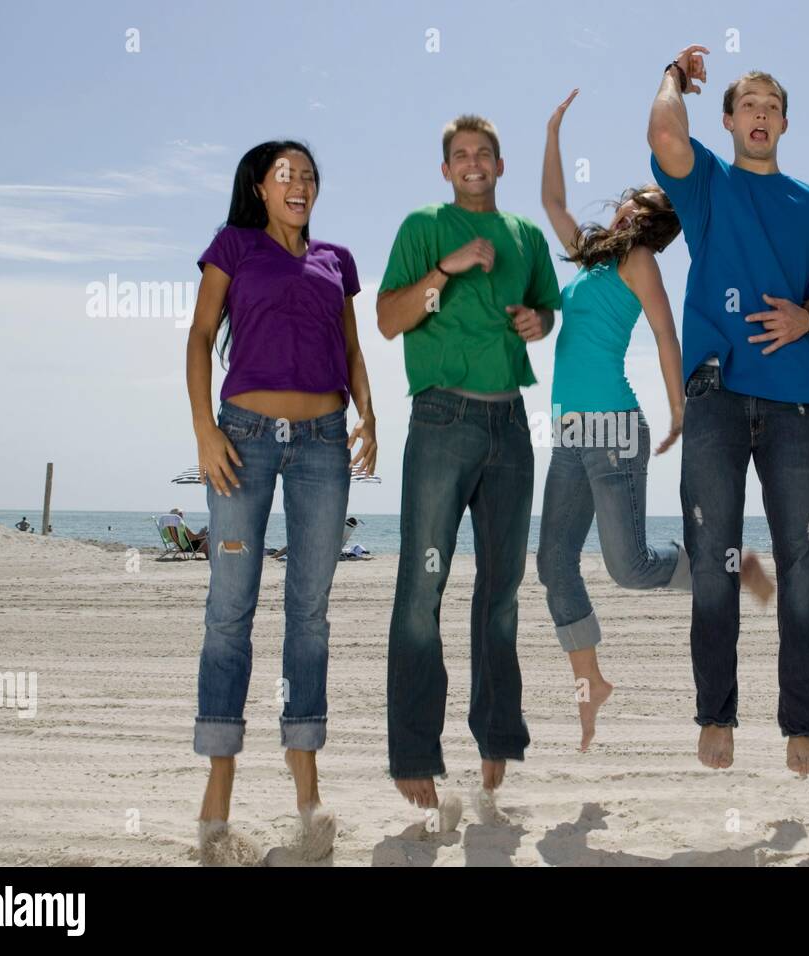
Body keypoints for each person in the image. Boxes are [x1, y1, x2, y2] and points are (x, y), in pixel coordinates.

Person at [537, 89, 764, 751]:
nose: (629, 200)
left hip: (612, 430)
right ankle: (591, 682)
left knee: (630, 568)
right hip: (571, 432)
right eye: (634, 194)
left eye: (644, 200)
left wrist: (678, 409)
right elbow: (553, 202)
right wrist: (553, 131)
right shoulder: (590, 254)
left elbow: (667, 337)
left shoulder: (639, 262)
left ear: (655, 221)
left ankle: (725, 567)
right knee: (553, 562)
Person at [648, 48, 809, 775]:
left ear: (784, 123)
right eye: (747, 105)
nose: (760, 114)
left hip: (794, 400)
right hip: (716, 397)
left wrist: (808, 318)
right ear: (727, 121)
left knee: (806, 560)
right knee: (713, 559)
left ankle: (805, 717)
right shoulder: (708, 187)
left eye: (771, 105)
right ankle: (716, 714)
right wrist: (673, 73)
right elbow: (666, 135)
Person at [186, 140, 378, 864]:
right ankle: (217, 805)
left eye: (307, 174)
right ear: (260, 189)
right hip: (242, 440)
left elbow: (353, 349)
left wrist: (370, 415)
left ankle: (308, 799)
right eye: (284, 174)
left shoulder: (337, 260)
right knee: (230, 609)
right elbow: (202, 337)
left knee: (310, 615)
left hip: (325, 444)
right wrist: (204, 430)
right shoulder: (232, 247)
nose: (299, 183)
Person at [378, 115, 561, 817]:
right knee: (422, 591)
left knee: (502, 591)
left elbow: (546, 312)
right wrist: (443, 273)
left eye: (484, 153)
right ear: (447, 169)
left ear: (500, 165)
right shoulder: (423, 226)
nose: (474, 163)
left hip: (510, 424)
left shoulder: (526, 237)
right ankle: (415, 752)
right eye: (461, 155)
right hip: (441, 420)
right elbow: (390, 319)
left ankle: (496, 734)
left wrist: (539, 326)